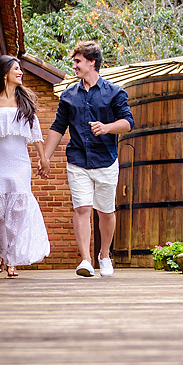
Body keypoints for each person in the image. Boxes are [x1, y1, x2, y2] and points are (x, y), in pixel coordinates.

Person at [43, 40, 134, 277]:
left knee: (105, 211)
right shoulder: (68, 96)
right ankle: (85, 260)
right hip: (77, 160)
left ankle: (104, 255)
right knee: (82, 208)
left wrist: (106, 127)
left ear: (91, 62)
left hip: (106, 159)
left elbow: (128, 123)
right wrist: (45, 157)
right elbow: (58, 127)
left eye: (77, 61)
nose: (74, 66)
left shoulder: (115, 93)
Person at [0, 55, 52, 278]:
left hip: (20, 163)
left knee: (18, 210)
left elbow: (35, 134)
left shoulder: (26, 102)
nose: (20, 72)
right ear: (4, 73)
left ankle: (12, 259)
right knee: (0, 213)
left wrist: (43, 158)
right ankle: (4, 252)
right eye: (16, 69)